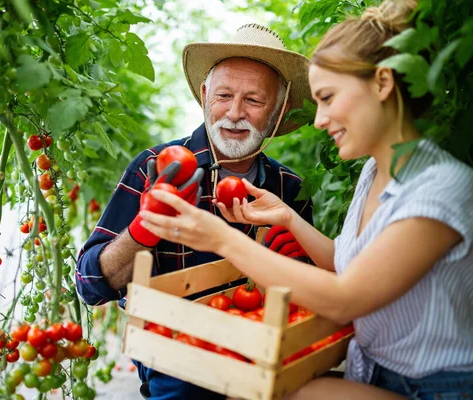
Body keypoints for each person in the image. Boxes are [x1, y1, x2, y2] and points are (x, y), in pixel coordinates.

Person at [138, 1, 473, 399]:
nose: (318, 119)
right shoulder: (374, 171)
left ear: (383, 84)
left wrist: (224, 239)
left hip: (435, 387)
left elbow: (345, 298)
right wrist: (289, 220)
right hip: (376, 371)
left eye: (328, 97)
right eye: (224, 94)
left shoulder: (441, 188)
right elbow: (349, 262)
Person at [75, 24, 314, 399]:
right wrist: (143, 230)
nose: (234, 113)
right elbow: (89, 285)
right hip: (176, 358)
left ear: (278, 110)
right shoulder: (156, 167)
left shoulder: (289, 188)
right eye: (223, 95)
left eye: (254, 100)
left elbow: (305, 294)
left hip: (264, 350)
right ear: (204, 95)